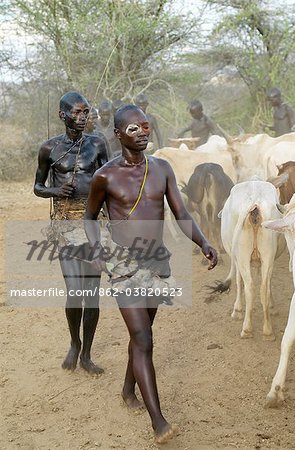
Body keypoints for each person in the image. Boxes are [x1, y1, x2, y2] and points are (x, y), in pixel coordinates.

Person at [84, 104, 218, 443]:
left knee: (142, 332)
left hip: (157, 261)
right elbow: (89, 218)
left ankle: (129, 389)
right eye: (134, 128)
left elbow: (181, 212)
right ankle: (159, 422)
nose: (143, 132)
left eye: (145, 126)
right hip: (122, 264)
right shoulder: (106, 176)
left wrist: (203, 242)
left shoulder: (162, 169)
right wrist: (97, 248)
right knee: (143, 338)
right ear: (118, 135)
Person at [34, 91, 108, 375]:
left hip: (93, 225)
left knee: (92, 294)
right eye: (77, 112)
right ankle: (74, 343)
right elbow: (38, 187)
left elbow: (109, 181)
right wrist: (54, 190)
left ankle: (87, 354)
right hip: (65, 226)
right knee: (74, 290)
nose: (82, 117)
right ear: (62, 115)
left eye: (85, 112)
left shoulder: (98, 144)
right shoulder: (48, 148)